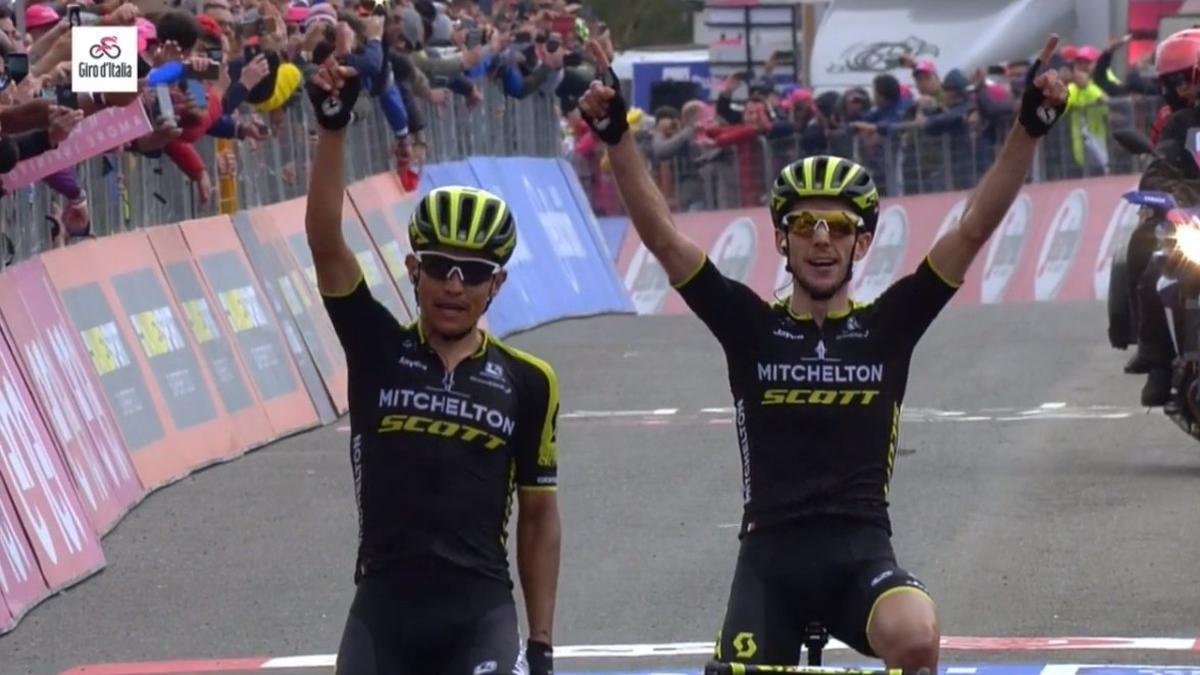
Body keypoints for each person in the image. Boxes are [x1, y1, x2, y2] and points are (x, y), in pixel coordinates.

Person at [576, 35, 1068, 668]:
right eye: (805, 225)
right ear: (782, 239)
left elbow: (972, 229)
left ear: (861, 244)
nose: (821, 240)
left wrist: (1027, 129)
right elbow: (665, 240)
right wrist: (619, 137)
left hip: (860, 557)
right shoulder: (750, 328)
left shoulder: (888, 327)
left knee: (917, 637)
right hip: (769, 563)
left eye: (837, 227)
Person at [302, 51, 561, 675]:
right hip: (383, 611)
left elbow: (539, 515)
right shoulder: (378, 347)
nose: (453, 285)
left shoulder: (529, 381)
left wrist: (543, 642)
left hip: (480, 614)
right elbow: (325, 243)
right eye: (439, 267)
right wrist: (333, 132)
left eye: (471, 274)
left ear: (495, 285)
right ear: (413, 270)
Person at [1123, 28, 1200, 406]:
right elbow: (1158, 170)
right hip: (1193, 219)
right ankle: (1158, 361)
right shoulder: (1182, 124)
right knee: (1155, 265)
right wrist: (1174, 200)